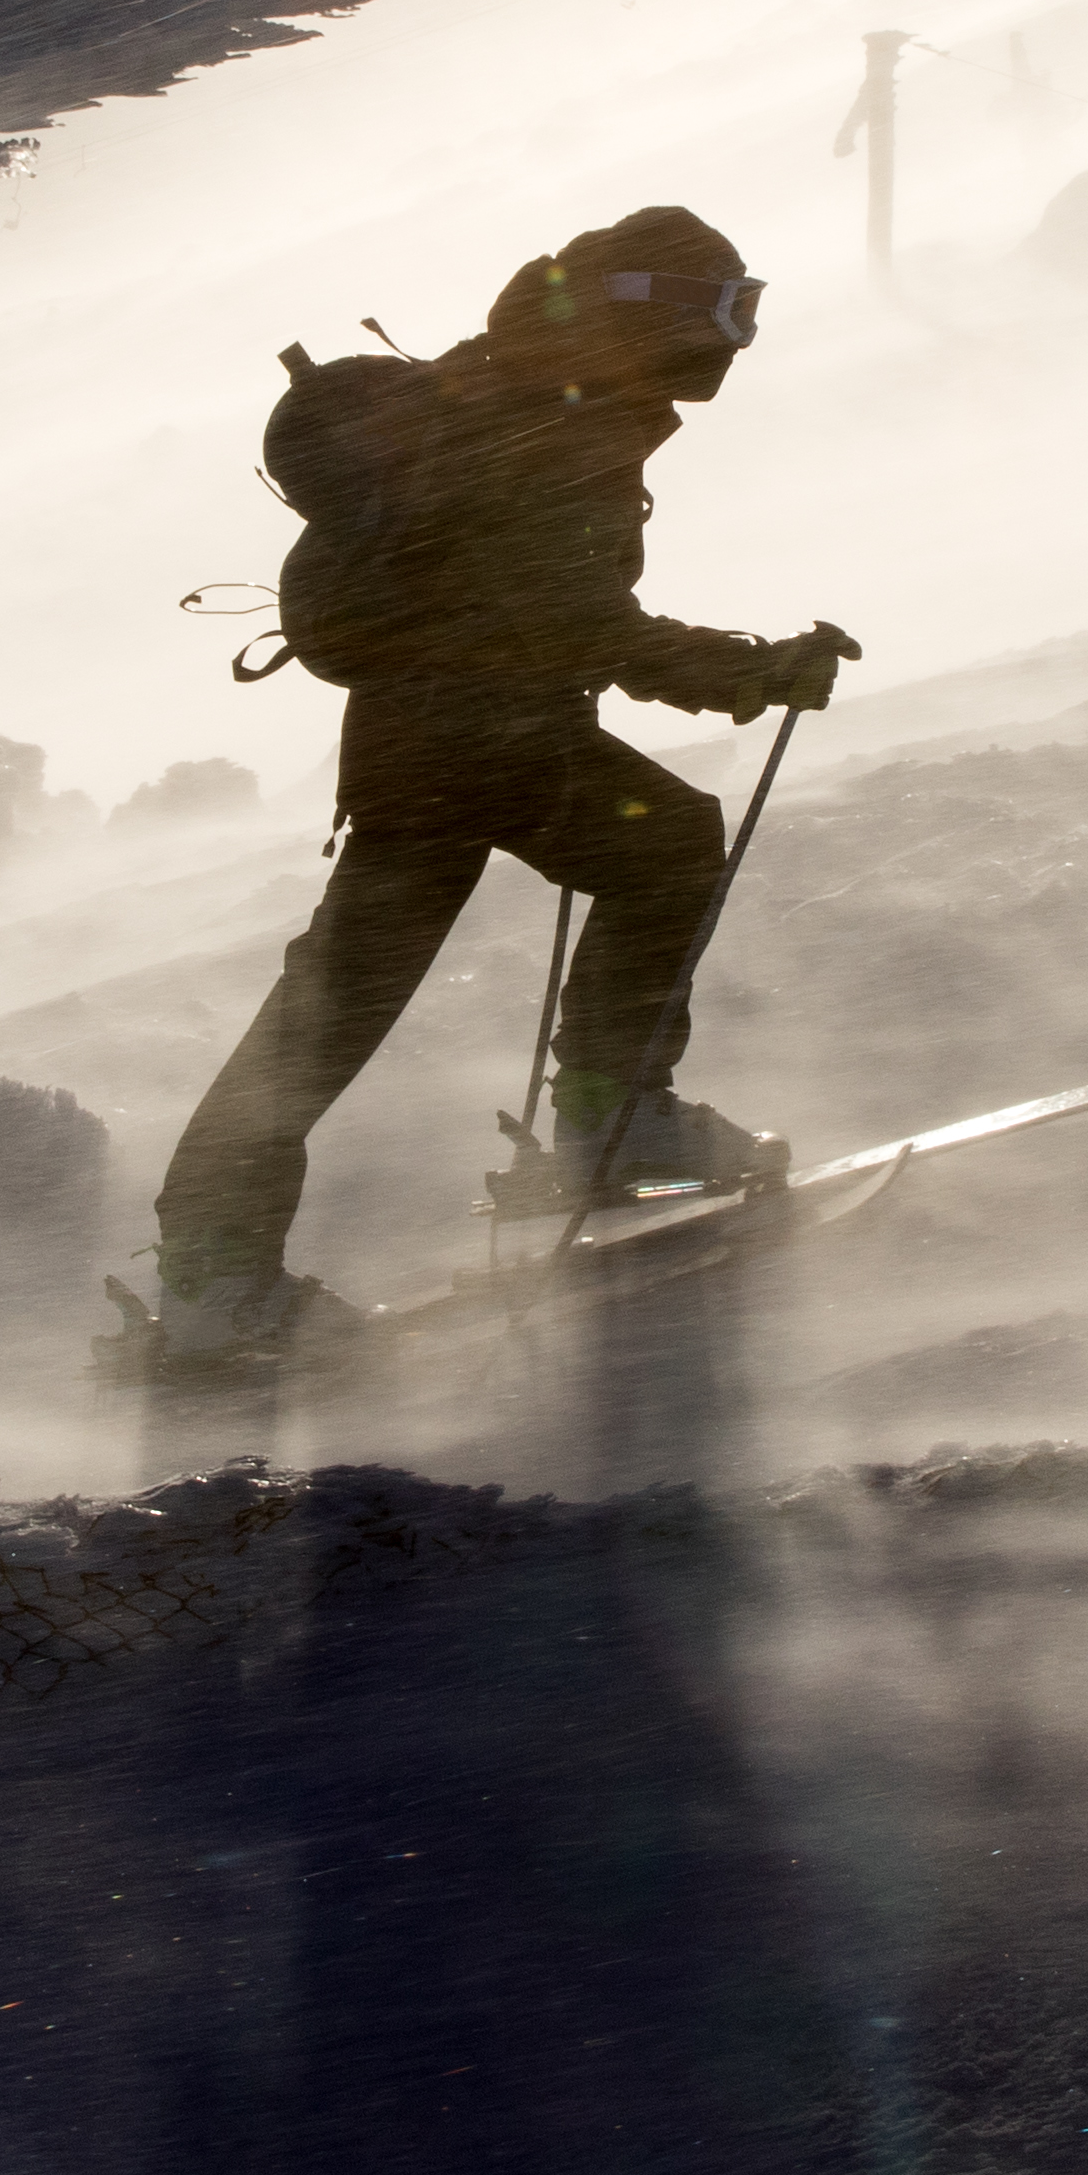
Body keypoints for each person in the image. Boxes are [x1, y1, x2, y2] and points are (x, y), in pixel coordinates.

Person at [141, 205, 856, 1368]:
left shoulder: (530, 392)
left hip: (449, 738)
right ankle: (597, 1131)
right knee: (352, 1004)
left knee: (636, 853)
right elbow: (584, 620)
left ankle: (223, 1266)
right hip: (470, 742)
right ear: (651, 312)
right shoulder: (552, 418)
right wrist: (751, 673)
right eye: (727, 309)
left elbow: (554, 615)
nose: (737, 338)